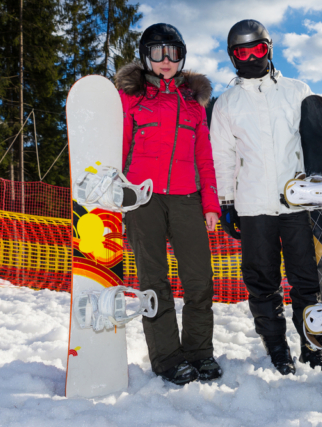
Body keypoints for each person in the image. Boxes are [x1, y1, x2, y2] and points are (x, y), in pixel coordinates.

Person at [210, 19, 322, 375]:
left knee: (307, 279)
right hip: (253, 205)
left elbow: (316, 142)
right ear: (232, 56)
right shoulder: (227, 103)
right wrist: (227, 202)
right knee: (262, 282)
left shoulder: (297, 91)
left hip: (297, 202)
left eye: (258, 49)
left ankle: (313, 345)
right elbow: (222, 157)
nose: (251, 58)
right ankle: (277, 349)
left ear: (269, 49)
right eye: (242, 52)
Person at [115, 23, 222, 385]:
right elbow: (119, 149)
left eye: (173, 53)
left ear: (182, 58)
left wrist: (210, 204)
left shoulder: (193, 104)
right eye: (158, 52)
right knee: (154, 281)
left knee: (200, 280)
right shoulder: (130, 99)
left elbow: (204, 157)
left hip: (187, 198)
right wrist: (114, 197)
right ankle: (167, 359)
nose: (166, 60)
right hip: (142, 200)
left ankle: (199, 352)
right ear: (145, 56)